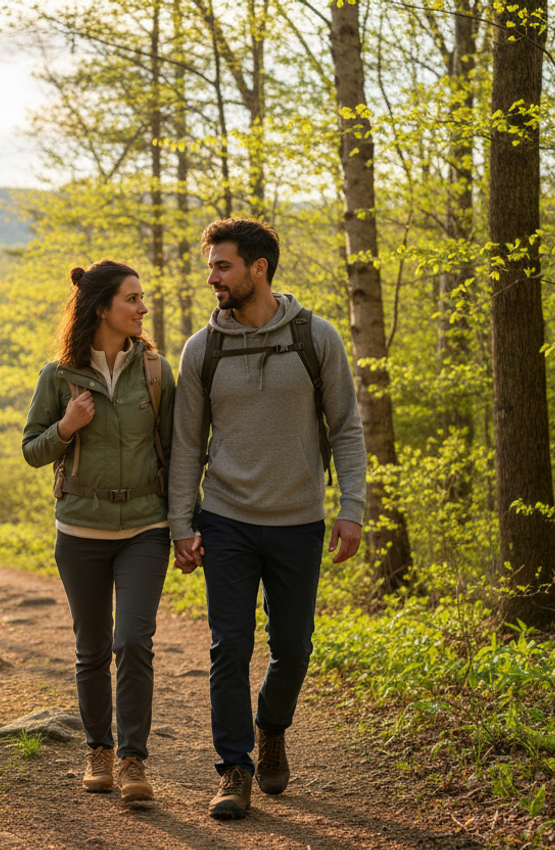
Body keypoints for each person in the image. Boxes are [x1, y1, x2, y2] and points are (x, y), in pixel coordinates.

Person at [166, 218, 366, 820]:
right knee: (229, 647)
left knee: (294, 649)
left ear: (259, 268)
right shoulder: (203, 348)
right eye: (210, 266)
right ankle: (234, 768)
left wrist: (351, 509)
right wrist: (182, 524)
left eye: (222, 266)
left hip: (299, 520)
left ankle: (271, 726)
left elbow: (347, 429)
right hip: (224, 518)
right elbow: (185, 444)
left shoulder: (315, 337)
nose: (212, 278)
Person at [22, 260, 176, 803]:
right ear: (102, 308)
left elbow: (178, 455)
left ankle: (134, 760)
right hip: (80, 531)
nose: (142, 307)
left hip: (145, 528)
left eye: (143, 298)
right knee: (92, 650)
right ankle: (99, 750)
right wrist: (66, 427)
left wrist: (185, 525)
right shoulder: (58, 376)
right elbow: (32, 451)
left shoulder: (157, 373)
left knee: (133, 642)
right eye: (132, 298)